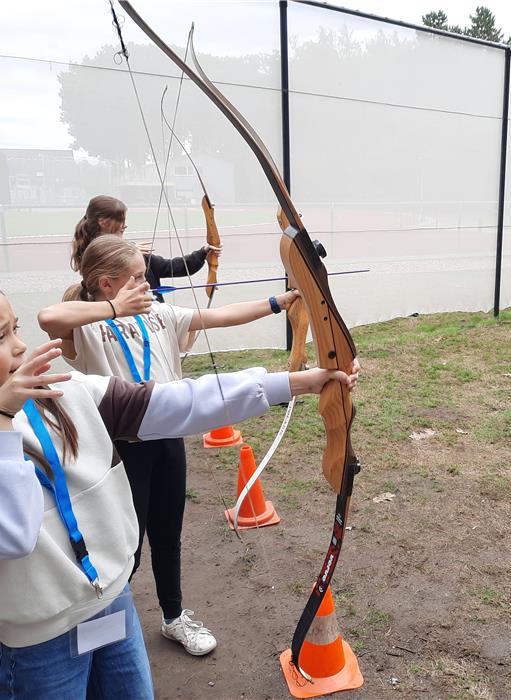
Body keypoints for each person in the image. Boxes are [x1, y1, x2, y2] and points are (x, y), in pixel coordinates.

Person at [0, 291, 358, 699]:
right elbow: (13, 534)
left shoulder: (65, 390)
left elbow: (179, 401)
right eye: (1, 336)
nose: (20, 346)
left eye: (16, 329)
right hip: (37, 639)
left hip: (111, 601)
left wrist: (295, 382)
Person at [38, 235, 308, 656]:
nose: (147, 284)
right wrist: (113, 310)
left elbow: (217, 316)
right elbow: (48, 317)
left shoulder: (159, 314)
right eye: (137, 277)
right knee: (124, 542)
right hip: (120, 450)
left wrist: (279, 302)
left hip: (167, 439)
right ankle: (110, 631)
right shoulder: (88, 323)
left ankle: (173, 616)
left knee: (167, 533)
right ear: (107, 284)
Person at [71, 194, 222, 302]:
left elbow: (173, 267)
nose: (125, 225)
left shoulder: (134, 252)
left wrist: (203, 252)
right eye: (121, 220)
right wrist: (131, 250)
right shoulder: (94, 258)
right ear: (103, 222)